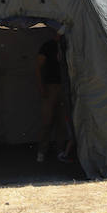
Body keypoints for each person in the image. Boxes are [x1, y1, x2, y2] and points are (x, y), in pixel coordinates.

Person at [36, 32, 65, 163]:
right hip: (50, 86)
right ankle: (42, 151)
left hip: (64, 86)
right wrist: (41, 87)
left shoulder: (67, 45)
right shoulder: (47, 46)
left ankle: (61, 150)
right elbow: (38, 67)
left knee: (62, 121)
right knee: (47, 121)